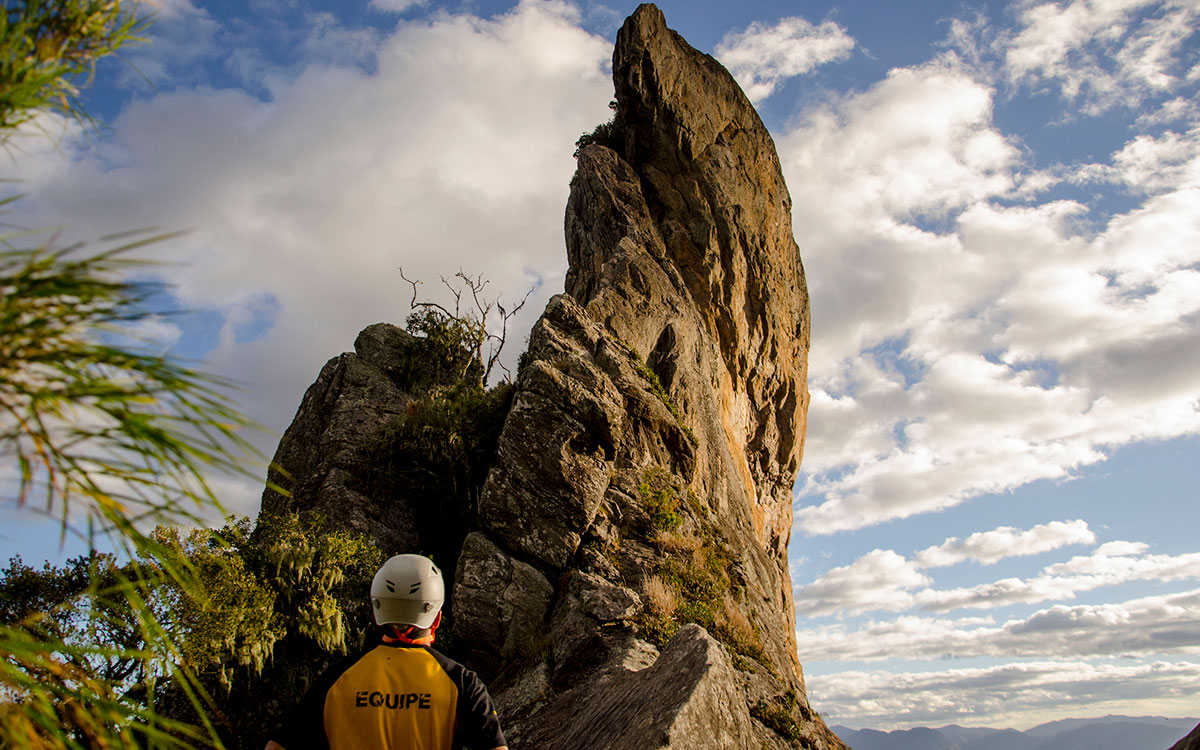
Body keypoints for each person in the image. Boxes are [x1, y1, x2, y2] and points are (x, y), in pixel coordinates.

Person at [264, 554, 508, 750]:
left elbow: (277, 746)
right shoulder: (462, 683)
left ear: (376, 611)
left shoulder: (337, 678)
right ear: (437, 617)